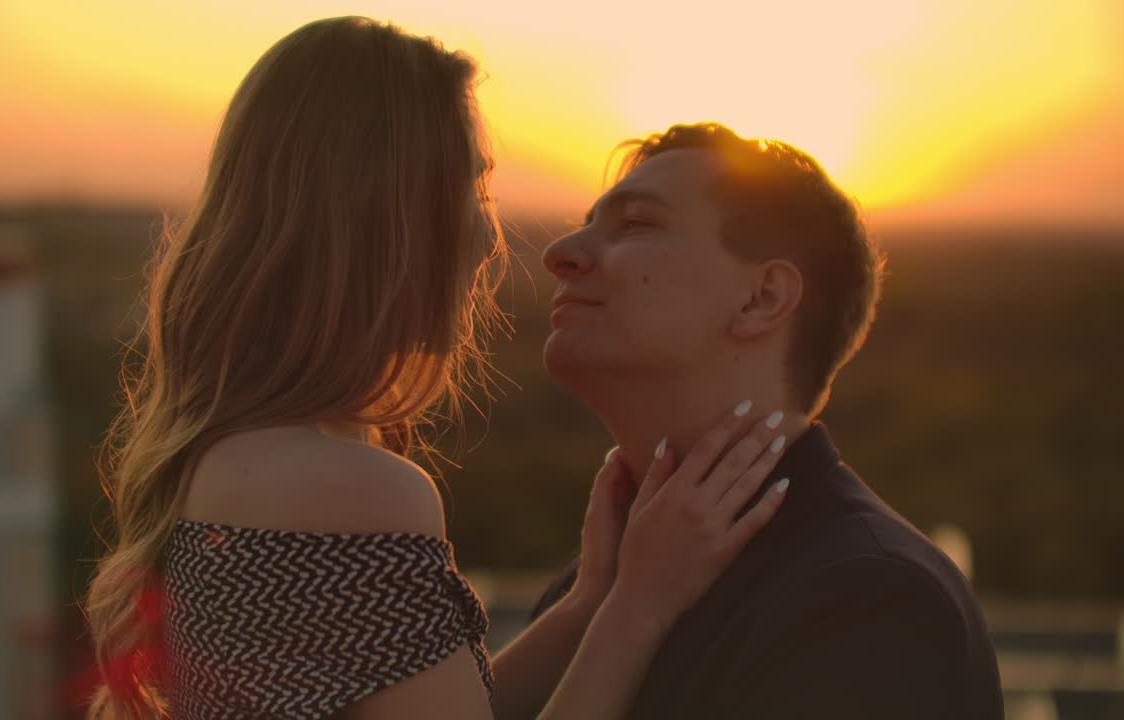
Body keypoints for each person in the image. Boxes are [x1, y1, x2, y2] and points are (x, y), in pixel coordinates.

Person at [81, 19, 792, 720]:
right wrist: (644, 603)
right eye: (473, 193)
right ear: (385, 215)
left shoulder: (235, 454)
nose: (489, 237)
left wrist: (591, 599)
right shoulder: (350, 489)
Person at [532, 122, 1005, 719]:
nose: (561, 253)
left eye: (636, 223)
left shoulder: (872, 598)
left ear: (762, 299)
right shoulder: (593, 590)